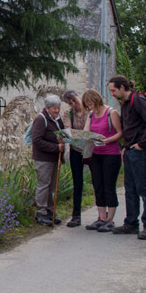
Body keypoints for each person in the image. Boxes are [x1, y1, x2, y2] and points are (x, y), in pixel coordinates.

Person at [108, 75, 146, 239]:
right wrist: (125, 147)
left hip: (139, 151)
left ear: (122, 87)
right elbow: (130, 127)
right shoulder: (126, 103)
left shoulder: (138, 100)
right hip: (130, 150)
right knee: (130, 188)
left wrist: (141, 144)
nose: (112, 94)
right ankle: (131, 223)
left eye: (113, 90)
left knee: (143, 188)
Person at [81, 89, 123, 232]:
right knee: (98, 185)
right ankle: (101, 217)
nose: (89, 106)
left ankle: (110, 219)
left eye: (90, 103)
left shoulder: (111, 113)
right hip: (96, 154)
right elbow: (86, 132)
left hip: (111, 154)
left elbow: (120, 133)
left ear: (96, 99)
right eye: (87, 105)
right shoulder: (91, 115)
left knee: (108, 186)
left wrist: (106, 140)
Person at [31, 94, 66, 226]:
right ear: (47, 107)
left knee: (52, 186)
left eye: (58, 108)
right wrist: (56, 147)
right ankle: (41, 213)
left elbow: (61, 133)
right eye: (54, 108)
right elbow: (37, 140)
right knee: (43, 185)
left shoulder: (57, 119)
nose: (57, 111)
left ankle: (51, 211)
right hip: (44, 159)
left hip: (54, 158)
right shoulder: (41, 119)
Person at [62, 90, 87, 227]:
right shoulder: (69, 114)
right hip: (76, 149)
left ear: (79, 97)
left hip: (91, 149)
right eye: (70, 103)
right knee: (77, 182)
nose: (73, 104)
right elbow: (68, 131)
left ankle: (103, 215)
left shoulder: (89, 110)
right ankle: (76, 215)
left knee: (98, 180)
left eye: (74, 101)